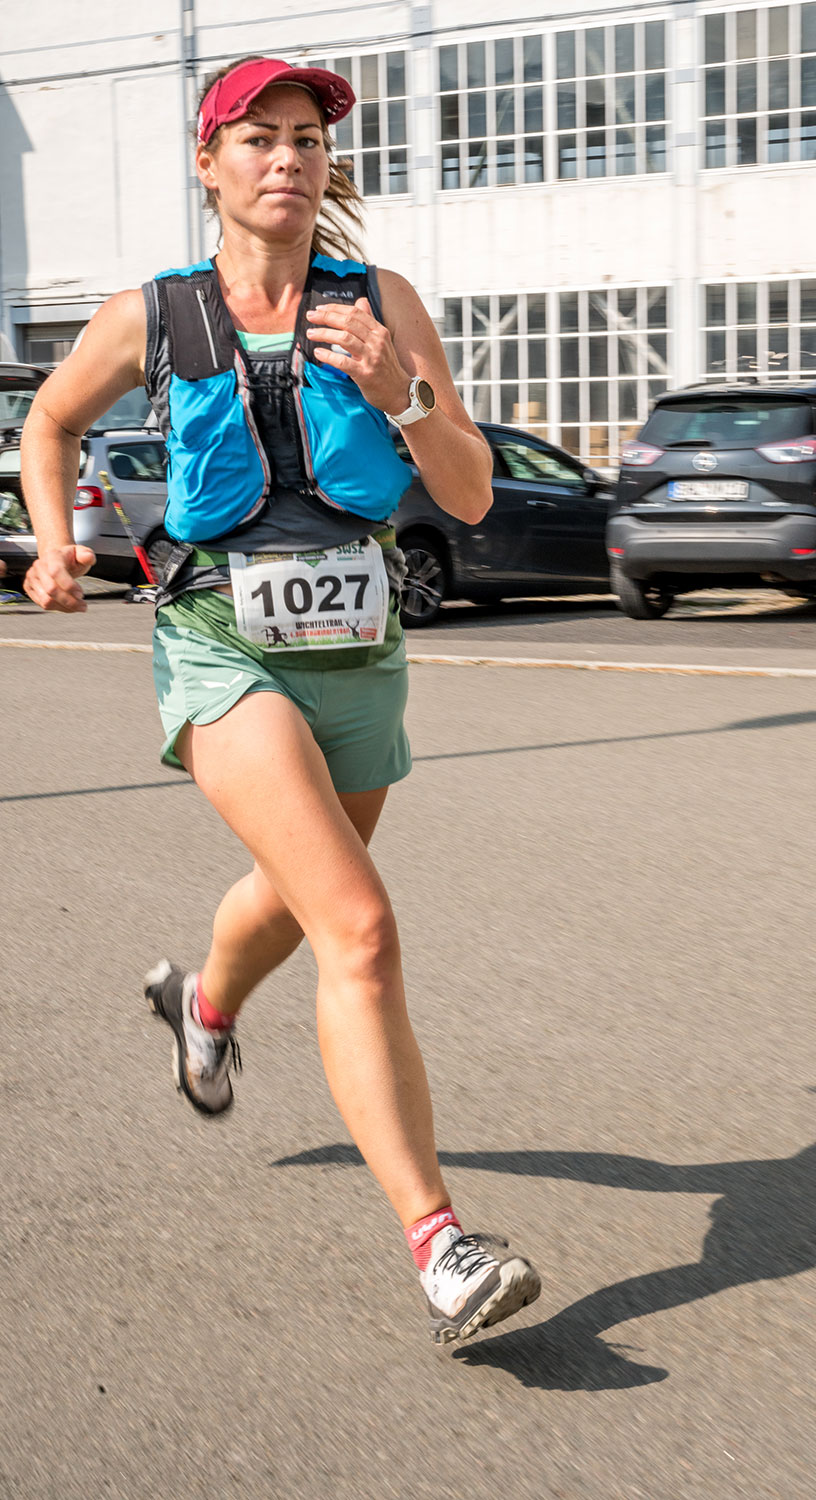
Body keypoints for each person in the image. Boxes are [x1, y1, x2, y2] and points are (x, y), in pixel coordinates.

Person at [21, 55, 540, 1345]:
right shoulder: (158, 314)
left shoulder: (383, 306)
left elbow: (468, 494)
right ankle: (442, 1246)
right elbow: (47, 422)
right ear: (209, 163)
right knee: (358, 923)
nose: (288, 159)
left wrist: (395, 387)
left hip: (359, 651)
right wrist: (49, 540)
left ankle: (202, 1004)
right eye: (258, 137)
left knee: (302, 896)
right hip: (217, 640)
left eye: (306, 138)